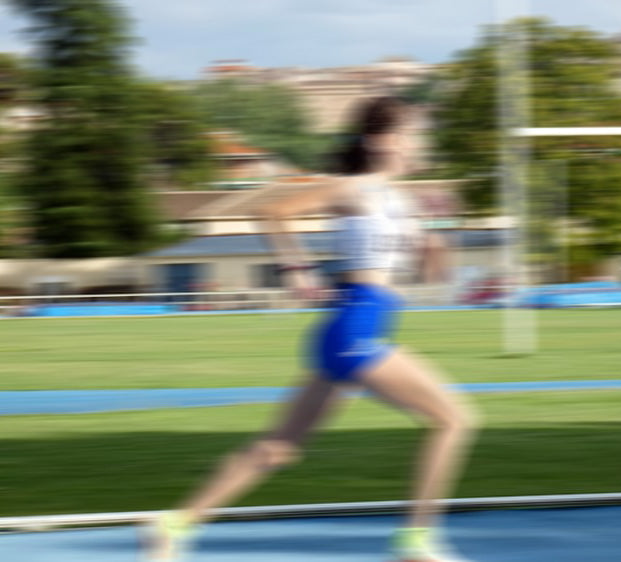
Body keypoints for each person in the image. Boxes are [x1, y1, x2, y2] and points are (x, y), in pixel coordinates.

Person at [143, 96, 478, 562]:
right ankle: (417, 540)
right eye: (408, 132)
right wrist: (295, 269)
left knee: (278, 448)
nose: (415, 142)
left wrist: (436, 252)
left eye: (418, 133)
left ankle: (173, 524)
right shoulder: (352, 188)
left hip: (351, 329)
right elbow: (273, 213)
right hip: (355, 329)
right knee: (454, 419)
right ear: (377, 140)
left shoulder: (403, 203)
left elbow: (426, 280)